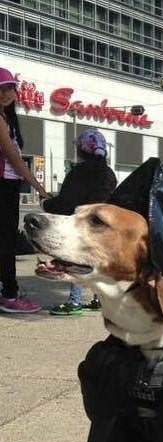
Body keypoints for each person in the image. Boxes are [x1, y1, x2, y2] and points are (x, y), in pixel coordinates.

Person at [42, 129, 117, 315]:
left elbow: (66, 202)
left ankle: (74, 302)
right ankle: (99, 299)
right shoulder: (108, 173)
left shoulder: (78, 173)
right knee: (96, 263)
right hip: (102, 226)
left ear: (81, 151)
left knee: (75, 260)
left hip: (79, 225)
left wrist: (46, 203)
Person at [0, 66, 49, 314]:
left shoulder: (7, 120)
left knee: (4, 242)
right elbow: (16, 162)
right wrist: (40, 188)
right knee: (6, 244)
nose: (8, 93)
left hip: (8, 186)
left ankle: (7, 290)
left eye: (11, 88)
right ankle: (9, 295)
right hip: (4, 186)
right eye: (3, 88)